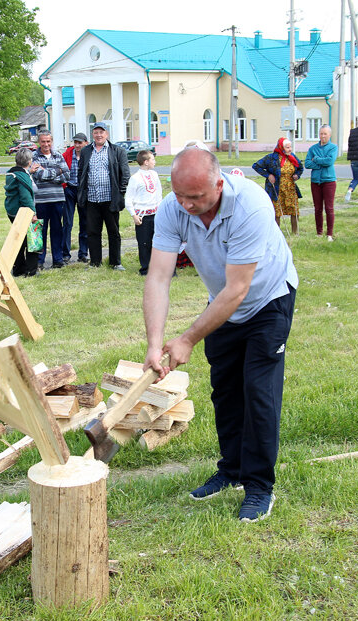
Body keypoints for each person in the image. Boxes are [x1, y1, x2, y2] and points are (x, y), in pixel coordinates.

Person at [144, 148, 297, 521]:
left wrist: (187, 338)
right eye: (180, 195)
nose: (187, 205)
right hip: (222, 304)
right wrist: (154, 342)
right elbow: (159, 276)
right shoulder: (173, 207)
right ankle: (231, 470)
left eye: (195, 197)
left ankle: (259, 486)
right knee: (225, 389)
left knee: (258, 392)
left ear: (218, 183)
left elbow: (238, 290)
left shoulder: (251, 204)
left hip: (267, 300)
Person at [77, 122, 130, 270]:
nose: (98, 135)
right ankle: (95, 262)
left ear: (107, 134)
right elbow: (81, 172)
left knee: (113, 232)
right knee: (92, 232)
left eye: (101, 132)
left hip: (110, 199)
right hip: (92, 199)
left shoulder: (117, 151)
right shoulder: (86, 151)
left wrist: (120, 193)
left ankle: (115, 262)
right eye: (96, 132)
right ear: (92, 134)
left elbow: (125, 174)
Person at [29, 130, 69, 269]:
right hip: (40, 200)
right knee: (39, 230)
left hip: (57, 198)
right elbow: (35, 176)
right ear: (39, 142)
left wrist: (44, 172)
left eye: (48, 141)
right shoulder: (33, 156)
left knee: (57, 230)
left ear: (52, 142)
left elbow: (67, 176)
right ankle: (38, 261)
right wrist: (57, 172)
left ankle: (57, 259)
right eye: (43, 141)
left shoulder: (58, 155)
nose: (46, 144)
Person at [253, 138, 304, 234]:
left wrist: (297, 175)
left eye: (290, 147)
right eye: (287, 147)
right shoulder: (271, 158)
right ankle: (276, 234)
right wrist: (268, 175)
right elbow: (256, 166)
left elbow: (300, 168)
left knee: (294, 210)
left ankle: (295, 233)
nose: (290, 149)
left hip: (290, 188)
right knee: (277, 212)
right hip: (276, 189)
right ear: (281, 148)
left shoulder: (292, 157)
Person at [125, 149, 163, 275]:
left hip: (156, 213)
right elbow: (128, 198)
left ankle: (159, 267)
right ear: (146, 162)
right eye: (152, 159)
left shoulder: (155, 175)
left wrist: (161, 210)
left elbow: (159, 194)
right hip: (143, 215)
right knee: (144, 243)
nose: (154, 162)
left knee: (158, 242)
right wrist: (134, 215)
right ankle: (146, 268)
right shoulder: (135, 178)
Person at [4, 149, 39, 277]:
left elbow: (21, 177)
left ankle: (18, 269)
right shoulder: (23, 177)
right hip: (23, 213)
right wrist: (33, 214)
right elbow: (25, 197)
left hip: (12, 212)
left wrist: (29, 172)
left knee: (18, 241)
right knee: (32, 240)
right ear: (29, 161)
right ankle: (31, 270)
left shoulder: (12, 173)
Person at [305, 126, 338, 240]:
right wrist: (319, 162)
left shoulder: (333, 147)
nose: (323, 136)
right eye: (321, 134)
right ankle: (319, 232)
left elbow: (329, 161)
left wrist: (317, 159)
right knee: (317, 208)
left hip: (329, 181)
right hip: (315, 181)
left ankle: (329, 234)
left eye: (325, 134)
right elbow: (307, 163)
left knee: (329, 208)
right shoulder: (313, 148)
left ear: (329, 135)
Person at [62, 133, 89, 262]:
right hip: (70, 189)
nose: (77, 145)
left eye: (80, 143)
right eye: (76, 142)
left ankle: (83, 253)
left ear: (85, 143)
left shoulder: (88, 154)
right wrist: (65, 186)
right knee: (67, 222)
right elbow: (61, 169)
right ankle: (65, 253)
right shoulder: (67, 154)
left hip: (83, 190)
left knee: (84, 222)